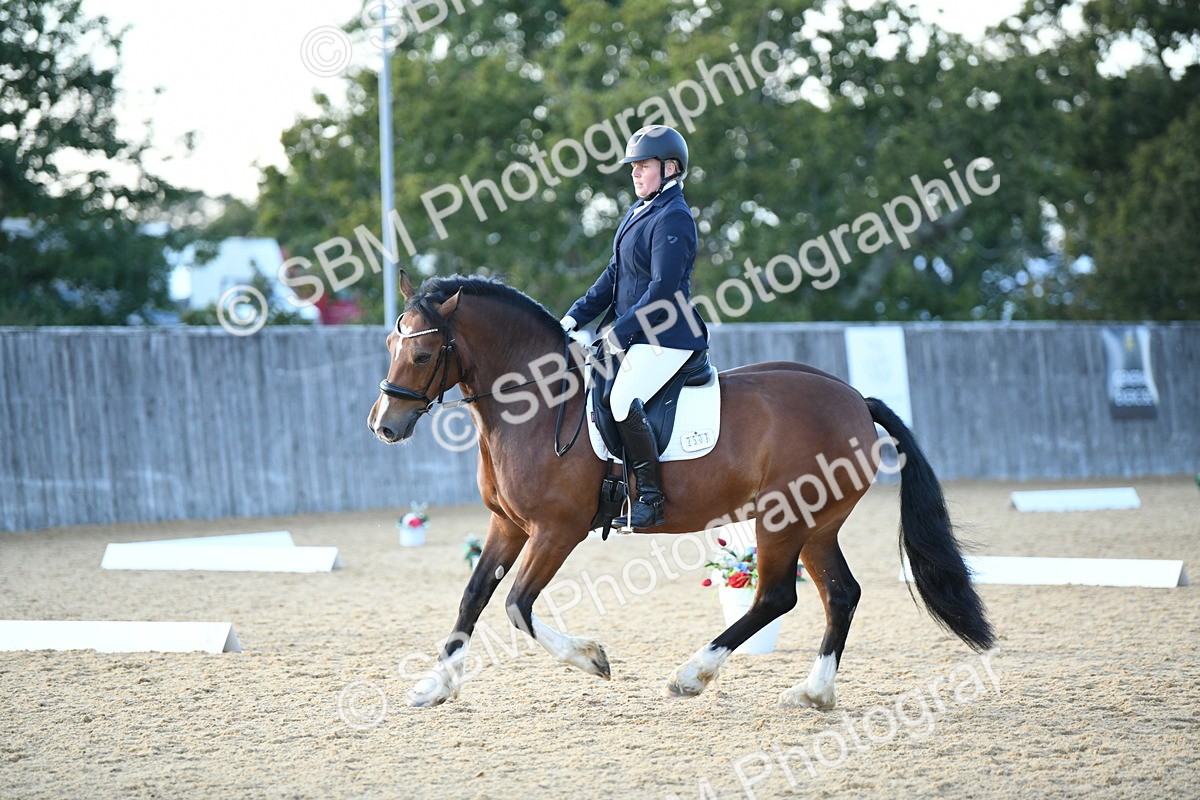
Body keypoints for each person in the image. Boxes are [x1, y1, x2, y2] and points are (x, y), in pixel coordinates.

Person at [560, 124, 709, 530]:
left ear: (670, 167)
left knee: (623, 398)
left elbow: (661, 291)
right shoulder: (639, 211)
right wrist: (574, 316)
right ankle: (609, 493)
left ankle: (651, 498)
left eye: (643, 166)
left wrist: (617, 333)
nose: (635, 173)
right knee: (594, 391)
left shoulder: (675, 218)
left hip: (668, 334)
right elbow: (614, 275)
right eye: (634, 167)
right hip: (634, 333)